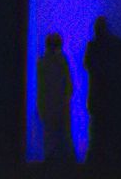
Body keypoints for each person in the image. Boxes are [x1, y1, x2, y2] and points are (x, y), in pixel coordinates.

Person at [85, 17, 121, 169]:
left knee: (97, 128)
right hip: (110, 96)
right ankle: (109, 159)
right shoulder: (113, 45)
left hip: (97, 95)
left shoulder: (93, 46)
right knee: (108, 128)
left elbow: (87, 65)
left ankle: (96, 159)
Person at [38, 34, 75, 165]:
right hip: (61, 106)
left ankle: (51, 159)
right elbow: (69, 85)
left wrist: (41, 105)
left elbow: (41, 87)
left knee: (50, 134)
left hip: (49, 106)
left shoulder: (42, 62)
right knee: (63, 134)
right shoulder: (62, 61)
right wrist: (66, 99)